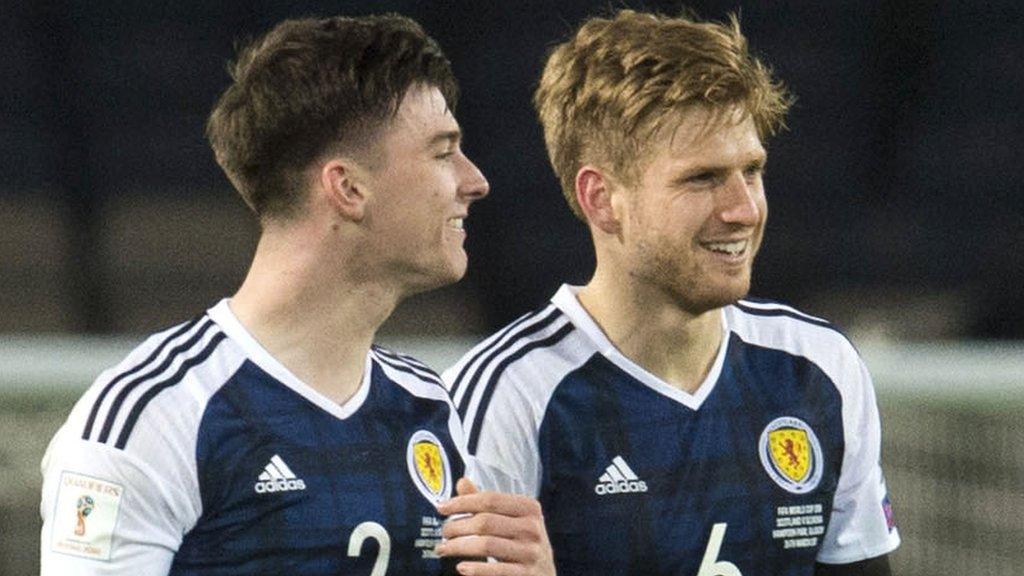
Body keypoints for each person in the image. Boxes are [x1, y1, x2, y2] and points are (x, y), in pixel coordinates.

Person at [40, 14, 554, 576]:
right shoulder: (154, 417)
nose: (474, 180)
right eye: (441, 151)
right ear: (348, 188)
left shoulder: (429, 404)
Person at [444, 9, 900, 576]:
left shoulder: (817, 368)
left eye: (752, 171)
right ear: (602, 199)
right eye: (702, 178)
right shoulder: (510, 395)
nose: (743, 210)